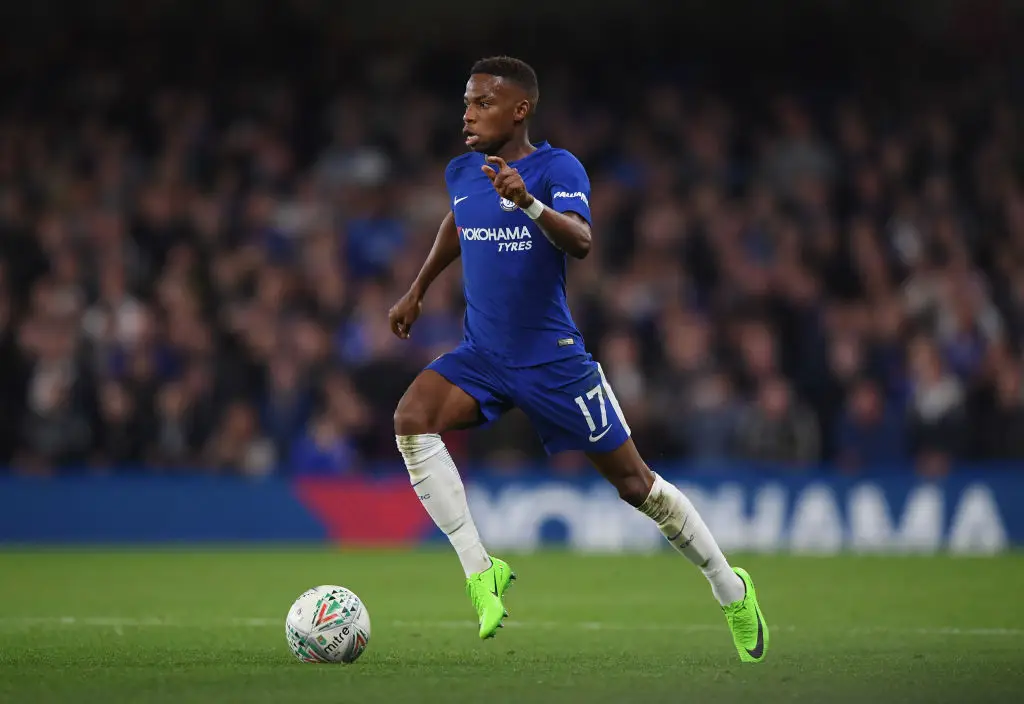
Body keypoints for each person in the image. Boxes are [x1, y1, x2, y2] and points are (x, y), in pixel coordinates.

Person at [388, 56, 768, 663]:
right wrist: (417, 288)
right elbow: (458, 223)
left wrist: (529, 205)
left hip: (553, 363)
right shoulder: (462, 170)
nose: (468, 115)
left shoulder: (557, 168)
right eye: (466, 103)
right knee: (411, 418)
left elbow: (583, 241)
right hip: (483, 355)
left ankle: (731, 588)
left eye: (483, 103)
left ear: (520, 110)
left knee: (637, 487)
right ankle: (480, 571)